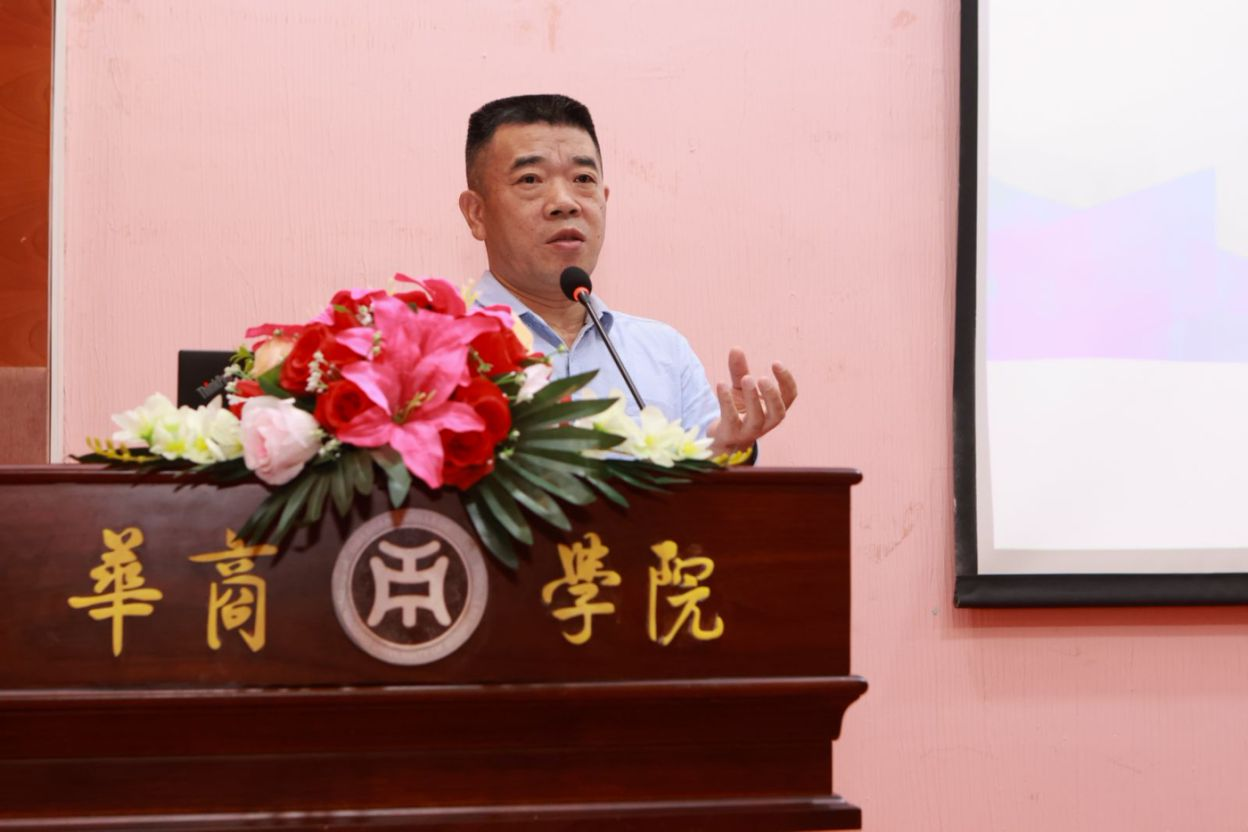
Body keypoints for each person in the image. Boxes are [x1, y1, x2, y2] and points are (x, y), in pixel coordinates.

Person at [457, 94, 796, 458]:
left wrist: (725, 449)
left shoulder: (664, 353)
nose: (565, 202)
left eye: (582, 178)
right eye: (530, 179)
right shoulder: (442, 349)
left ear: (604, 199)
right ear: (477, 213)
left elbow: (708, 473)